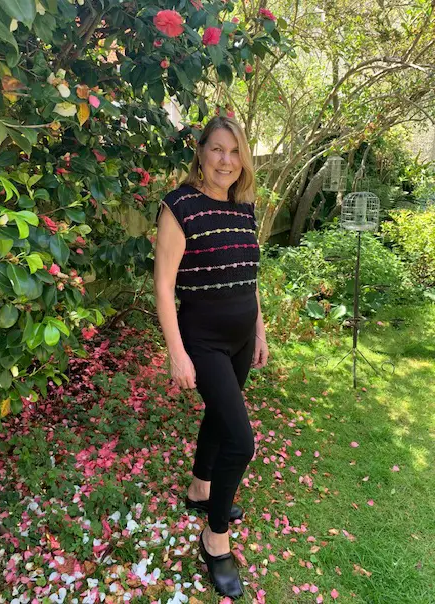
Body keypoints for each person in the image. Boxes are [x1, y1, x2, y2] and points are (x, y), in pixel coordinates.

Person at [154, 116, 269, 599]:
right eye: (217, 150)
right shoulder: (180, 207)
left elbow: (250, 275)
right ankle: (214, 538)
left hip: (242, 337)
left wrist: (260, 331)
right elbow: (162, 284)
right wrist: (177, 352)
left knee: (221, 422)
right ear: (201, 152)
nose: (226, 160)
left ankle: (201, 489)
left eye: (234, 151)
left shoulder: (244, 209)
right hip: (203, 340)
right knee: (241, 443)